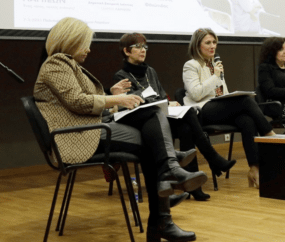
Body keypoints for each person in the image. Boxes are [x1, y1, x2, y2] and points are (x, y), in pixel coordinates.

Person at [34, 17, 207, 242]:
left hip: (91, 128)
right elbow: (77, 101)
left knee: (152, 115)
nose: (88, 49)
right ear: (69, 41)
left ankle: (167, 177)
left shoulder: (68, 65)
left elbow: (80, 101)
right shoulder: (56, 64)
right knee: (152, 137)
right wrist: (115, 99)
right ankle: (164, 202)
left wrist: (111, 96)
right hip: (78, 136)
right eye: (84, 43)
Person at [113, 32, 236, 201]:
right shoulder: (121, 76)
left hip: (161, 116)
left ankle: (194, 184)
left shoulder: (150, 71)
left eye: (145, 47)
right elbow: (132, 102)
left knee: (187, 125)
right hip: (145, 122)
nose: (143, 50)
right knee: (188, 118)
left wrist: (167, 103)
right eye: (138, 47)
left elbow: (162, 95)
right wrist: (158, 102)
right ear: (126, 51)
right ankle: (212, 159)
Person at [182, 28, 276, 188]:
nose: (213, 46)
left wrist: (227, 94)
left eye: (214, 42)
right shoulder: (191, 65)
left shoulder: (215, 65)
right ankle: (270, 135)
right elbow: (196, 94)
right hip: (201, 110)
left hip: (218, 108)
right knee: (245, 101)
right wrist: (215, 76)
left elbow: (222, 93)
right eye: (208, 43)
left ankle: (254, 170)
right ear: (197, 46)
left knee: (247, 120)